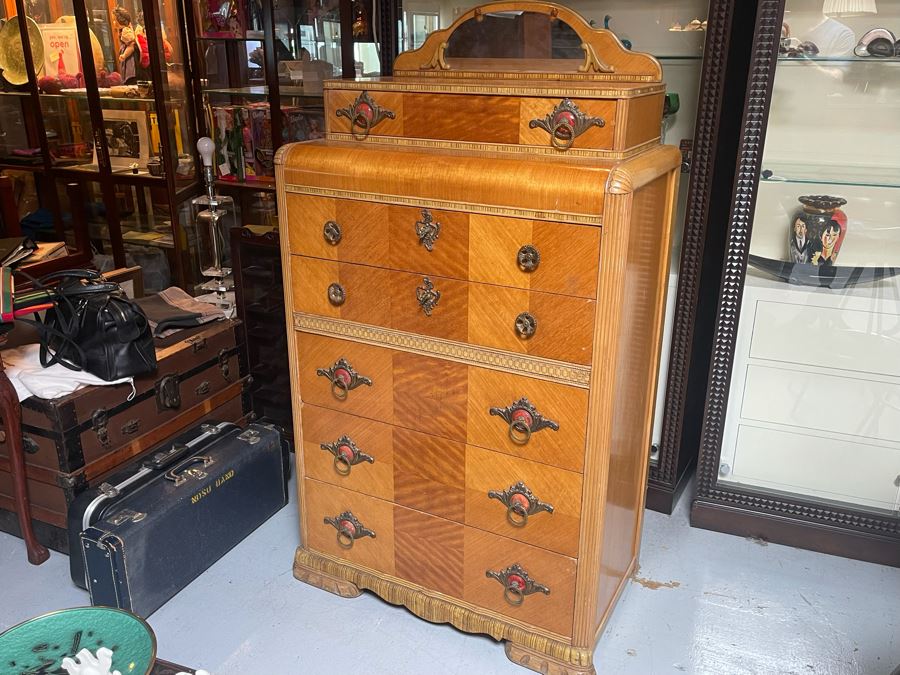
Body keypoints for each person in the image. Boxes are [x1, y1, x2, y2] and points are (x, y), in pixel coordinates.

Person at [113, 6, 139, 83]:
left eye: (115, 20)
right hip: (128, 58)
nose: (114, 22)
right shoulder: (125, 29)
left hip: (130, 60)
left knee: (130, 77)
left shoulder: (125, 31)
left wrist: (124, 55)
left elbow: (131, 46)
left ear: (120, 20)